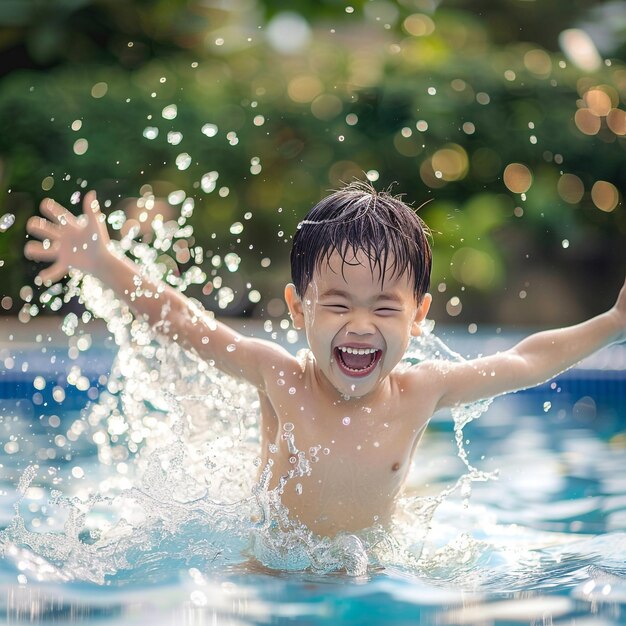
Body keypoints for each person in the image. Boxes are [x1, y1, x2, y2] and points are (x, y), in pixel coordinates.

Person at [24, 182, 626, 539]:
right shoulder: (276, 375)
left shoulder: (425, 390)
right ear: (298, 308)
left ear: (418, 316)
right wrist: (105, 264)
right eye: (336, 303)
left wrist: (614, 323)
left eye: (385, 310)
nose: (360, 326)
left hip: (370, 572)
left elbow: (526, 359)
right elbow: (184, 323)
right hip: (273, 571)